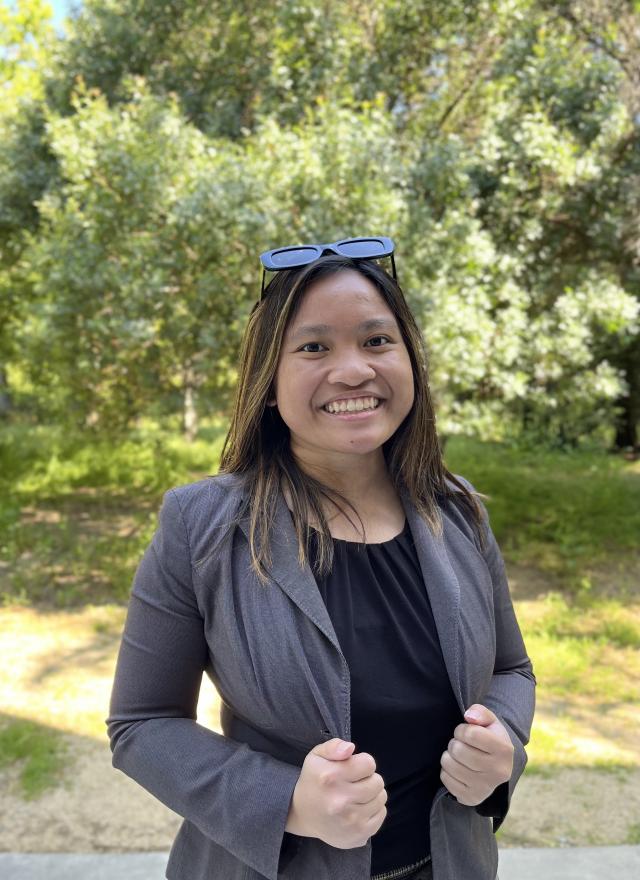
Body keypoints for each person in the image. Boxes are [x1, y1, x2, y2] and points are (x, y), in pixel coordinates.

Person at [106, 236, 536, 880]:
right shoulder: (201, 525)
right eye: (313, 347)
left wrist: (504, 744)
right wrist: (285, 803)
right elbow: (141, 724)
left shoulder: (459, 511)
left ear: (409, 360)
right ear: (270, 385)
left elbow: (512, 668)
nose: (354, 369)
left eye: (376, 341)